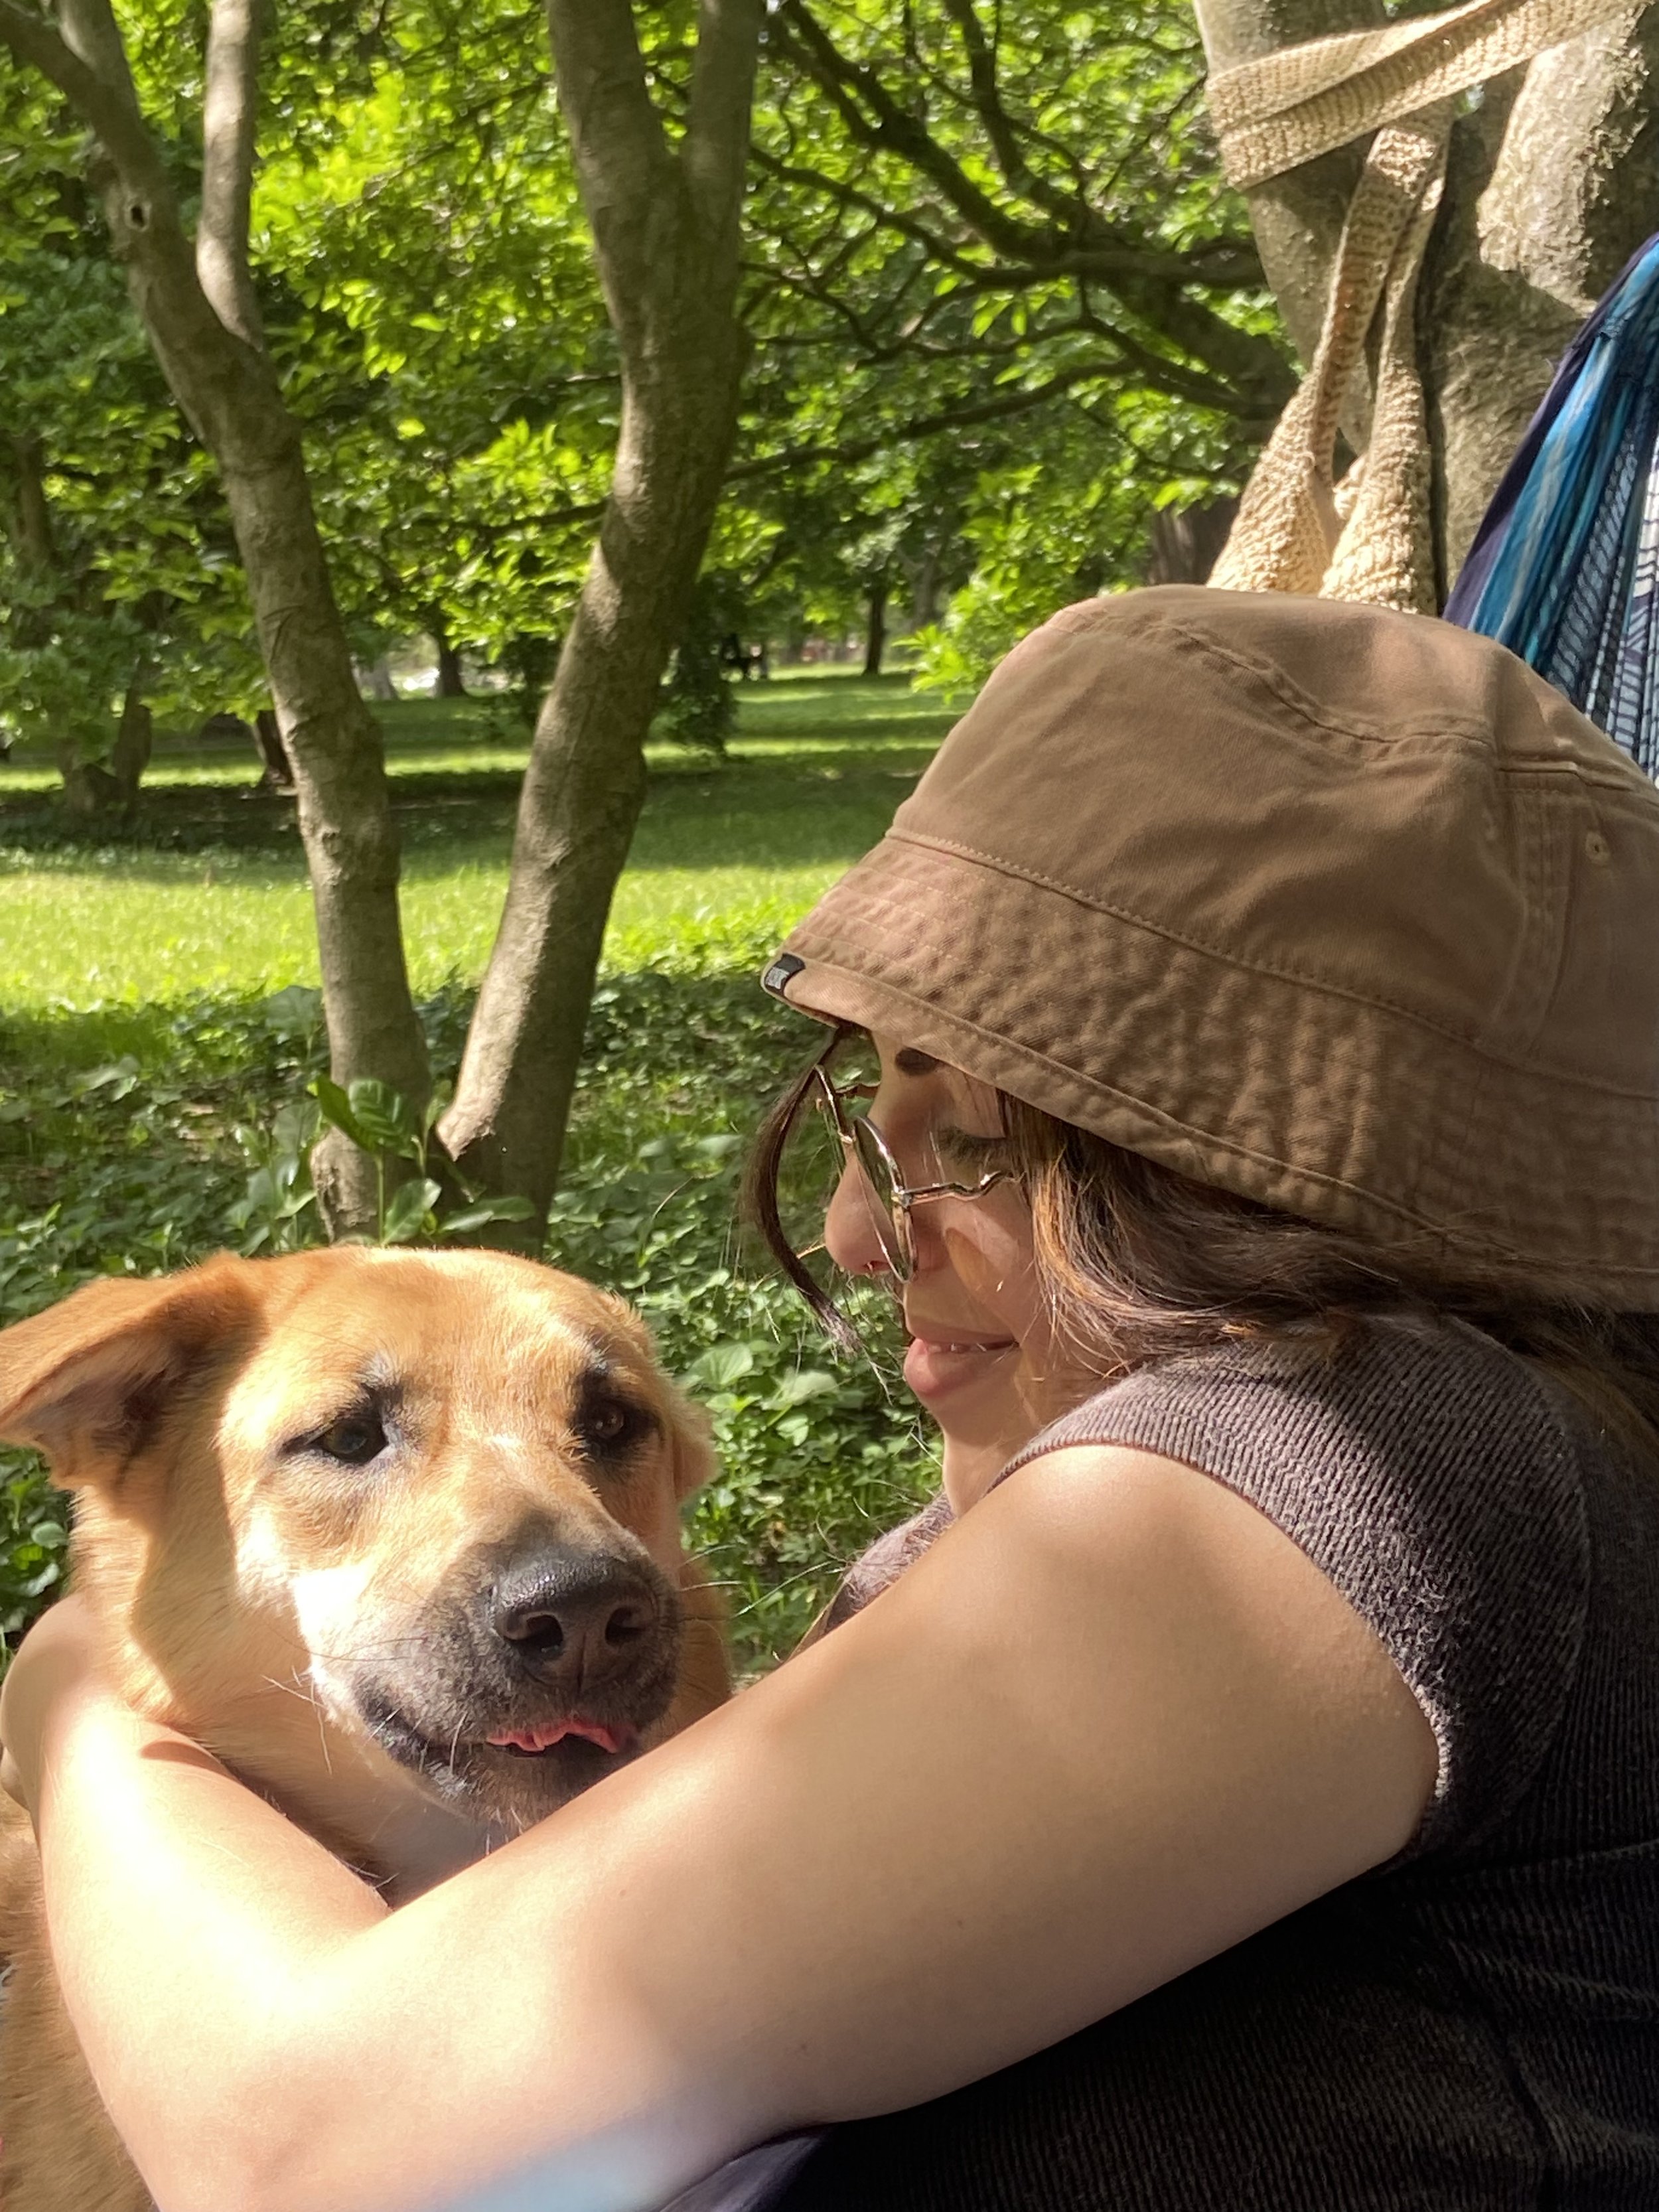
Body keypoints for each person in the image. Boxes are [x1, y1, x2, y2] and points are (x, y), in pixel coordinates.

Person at [6, 584, 1659, 2212]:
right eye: (871, 1118)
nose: (862, 1232)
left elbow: (304, 2152)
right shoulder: (1225, 1492)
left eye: (980, 1138)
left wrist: (84, 1702)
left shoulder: (1349, 1457)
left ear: (1247, 1181)